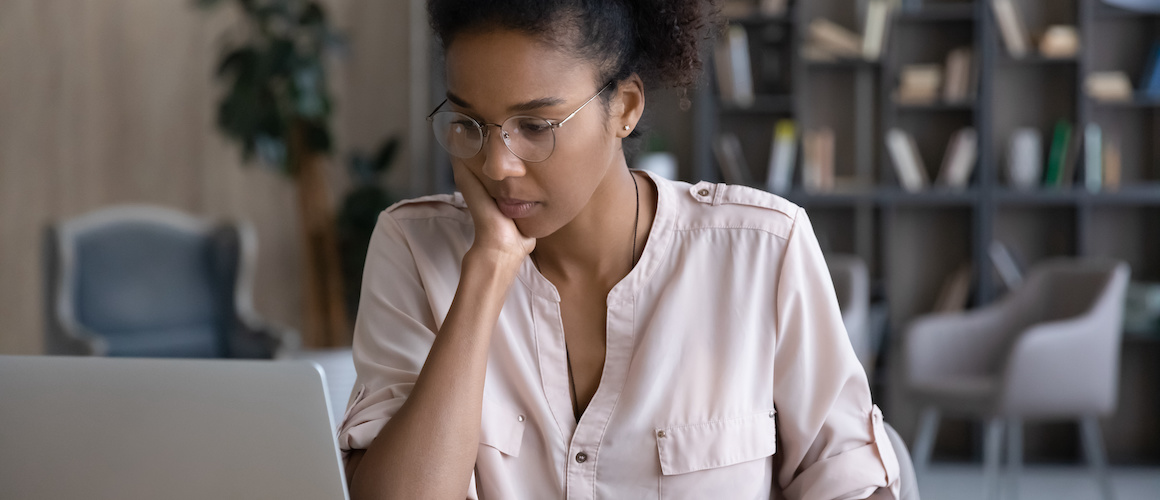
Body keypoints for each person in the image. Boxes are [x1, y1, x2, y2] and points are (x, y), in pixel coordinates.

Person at [339, 0, 901, 498]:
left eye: (535, 125)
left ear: (625, 107)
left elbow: (852, 483)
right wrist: (487, 271)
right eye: (469, 124)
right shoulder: (413, 248)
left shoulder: (762, 251)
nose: (496, 165)